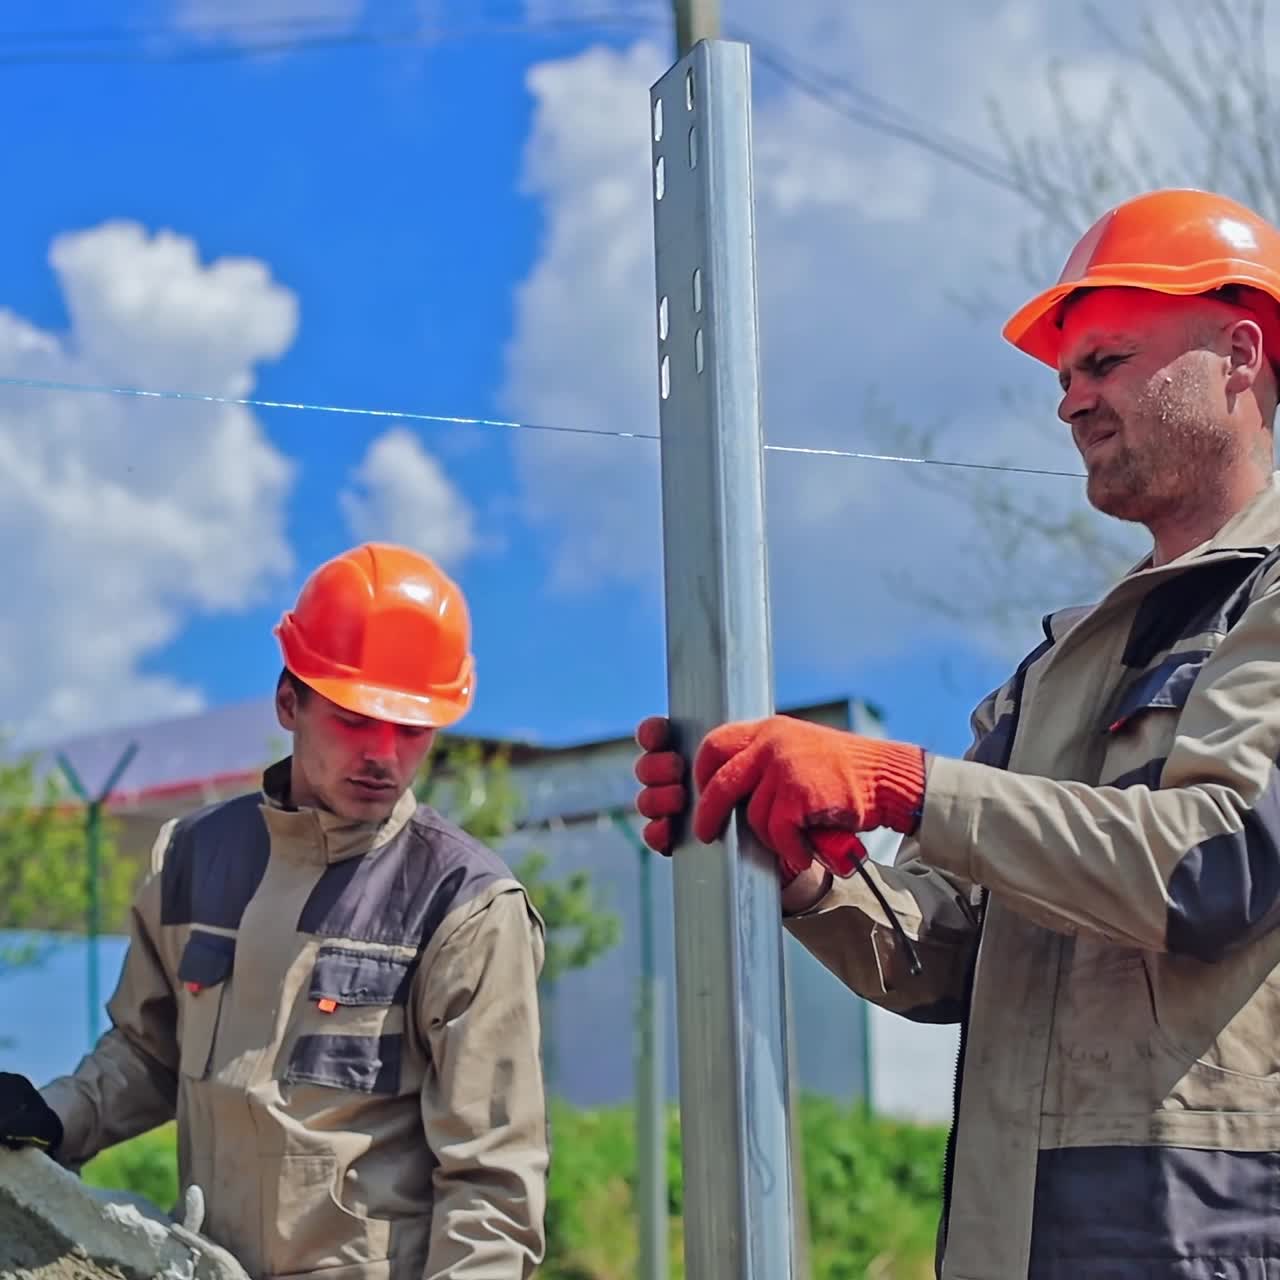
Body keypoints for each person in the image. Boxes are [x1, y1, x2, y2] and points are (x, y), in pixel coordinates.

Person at [634, 187, 1280, 1278]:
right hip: (1012, 1235)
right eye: (1064, 377)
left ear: (1238, 351)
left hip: (1198, 1234)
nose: (1068, 402)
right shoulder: (1053, 673)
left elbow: (1210, 863)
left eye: (1104, 362)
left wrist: (899, 781)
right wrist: (794, 862)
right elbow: (944, 957)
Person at [0, 543, 549, 1279]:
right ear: (289, 701)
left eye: (412, 728)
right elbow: (150, 1051)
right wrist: (56, 1113)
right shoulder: (192, 858)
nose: (384, 755)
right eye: (356, 718)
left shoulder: (465, 906)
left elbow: (492, 1186)